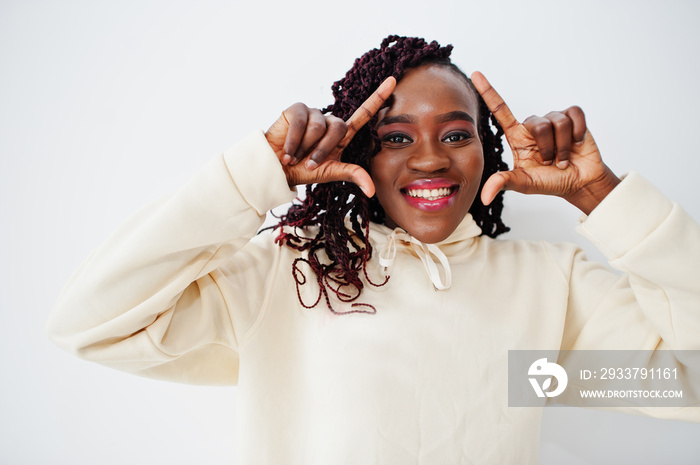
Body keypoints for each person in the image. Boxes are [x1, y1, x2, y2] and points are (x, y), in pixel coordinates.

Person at [47, 36, 700, 464]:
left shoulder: (546, 290)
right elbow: (93, 323)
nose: (429, 159)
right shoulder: (288, 273)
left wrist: (603, 197)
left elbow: (687, 379)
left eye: (456, 133)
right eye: (395, 138)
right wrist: (250, 177)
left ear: (486, 150)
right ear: (357, 150)